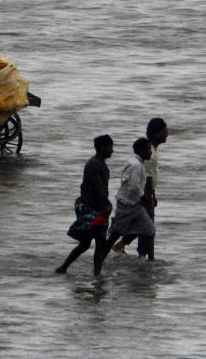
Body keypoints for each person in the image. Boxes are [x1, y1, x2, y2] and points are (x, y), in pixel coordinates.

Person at [55, 135, 114, 275]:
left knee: (91, 243)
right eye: (109, 147)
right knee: (93, 242)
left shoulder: (98, 163)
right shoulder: (95, 165)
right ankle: (94, 273)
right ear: (101, 148)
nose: (112, 150)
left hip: (95, 207)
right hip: (93, 208)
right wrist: (107, 204)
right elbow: (98, 187)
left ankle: (67, 268)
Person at [95, 138, 156, 272]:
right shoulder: (136, 165)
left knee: (149, 230)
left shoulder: (137, 164)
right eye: (148, 150)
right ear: (141, 151)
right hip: (127, 205)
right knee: (114, 235)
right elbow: (134, 187)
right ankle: (99, 261)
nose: (150, 153)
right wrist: (144, 198)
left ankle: (144, 260)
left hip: (135, 206)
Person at [117, 118, 168, 259]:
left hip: (146, 194)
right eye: (164, 132)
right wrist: (149, 199)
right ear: (156, 133)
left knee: (142, 224)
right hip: (143, 195)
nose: (167, 135)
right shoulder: (149, 153)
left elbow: (151, 176)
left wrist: (154, 195)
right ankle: (145, 255)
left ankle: (124, 245)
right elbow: (147, 178)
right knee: (147, 226)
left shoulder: (152, 151)